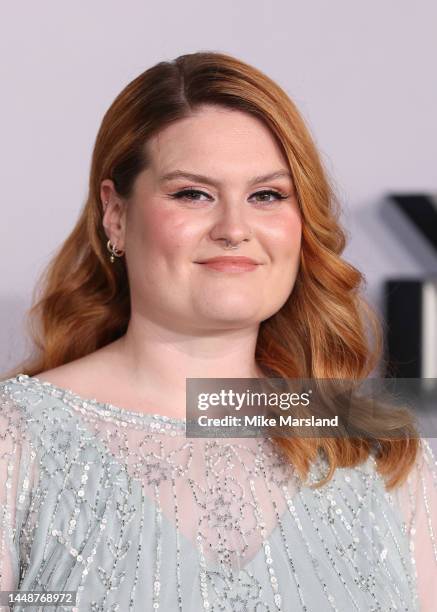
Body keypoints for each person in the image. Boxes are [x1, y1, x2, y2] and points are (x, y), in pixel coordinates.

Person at [0, 50, 436, 611]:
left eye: (267, 196)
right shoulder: (14, 444)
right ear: (116, 215)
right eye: (192, 194)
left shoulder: (382, 453)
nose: (234, 228)